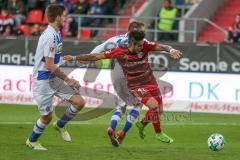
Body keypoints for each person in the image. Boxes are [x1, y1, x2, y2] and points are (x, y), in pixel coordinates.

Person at [63, 30, 182, 146]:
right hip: (136, 85)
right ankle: (158, 133)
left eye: (142, 45)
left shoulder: (145, 45)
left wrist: (171, 50)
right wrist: (74, 58)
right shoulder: (119, 51)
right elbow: (96, 56)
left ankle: (141, 124)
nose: (142, 47)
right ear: (132, 44)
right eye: (139, 46)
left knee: (159, 110)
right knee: (154, 106)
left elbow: (163, 47)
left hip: (150, 81)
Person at [26, 4, 85, 150]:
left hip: (53, 79)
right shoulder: (50, 36)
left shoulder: (56, 33)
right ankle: (32, 141)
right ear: (58, 17)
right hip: (43, 81)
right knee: (47, 117)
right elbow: (49, 65)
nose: (65, 19)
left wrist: (69, 59)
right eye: (64, 16)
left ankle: (60, 125)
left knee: (79, 102)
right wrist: (68, 79)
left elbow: (53, 60)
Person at [84, 21, 145, 147]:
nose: (144, 33)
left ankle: (112, 127)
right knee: (138, 104)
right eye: (142, 30)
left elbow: (98, 49)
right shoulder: (140, 42)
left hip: (116, 75)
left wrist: (88, 58)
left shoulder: (116, 39)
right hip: (131, 75)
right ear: (135, 31)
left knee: (120, 106)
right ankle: (122, 133)